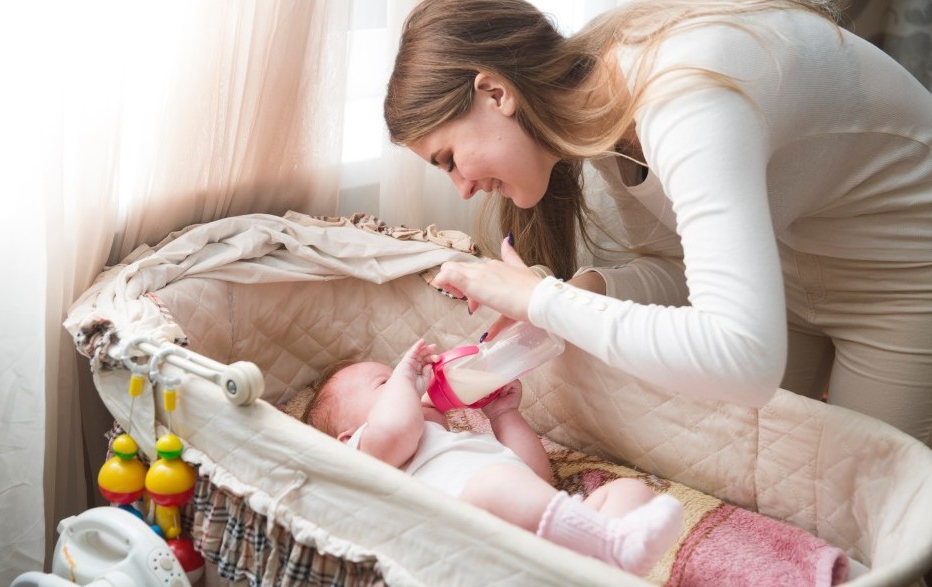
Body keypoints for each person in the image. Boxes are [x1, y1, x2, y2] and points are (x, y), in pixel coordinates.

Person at [382, 0, 932, 446]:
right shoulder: (591, 109)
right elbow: (679, 269)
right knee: (760, 484)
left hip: (902, 280)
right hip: (783, 274)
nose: (463, 189)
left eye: (449, 159)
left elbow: (744, 359)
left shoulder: (683, 98)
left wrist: (542, 302)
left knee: (865, 507)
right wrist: (578, 292)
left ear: (495, 92)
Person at [303, 339, 684, 576]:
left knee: (629, 491)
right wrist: (403, 376)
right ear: (348, 437)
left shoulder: (461, 439)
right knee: (495, 482)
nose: (410, 387)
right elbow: (397, 428)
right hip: (473, 538)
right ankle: (607, 549)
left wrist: (503, 417)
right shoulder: (369, 453)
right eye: (384, 385)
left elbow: (536, 478)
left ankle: (602, 561)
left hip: (544, 532)